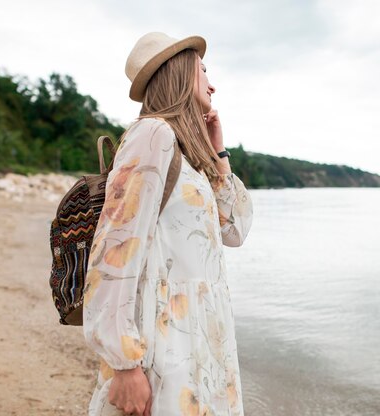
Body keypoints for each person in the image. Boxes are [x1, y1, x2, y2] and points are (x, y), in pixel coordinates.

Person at [82, 32, 253, 416]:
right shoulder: (152, 135)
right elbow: (112, 252)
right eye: (203, 70)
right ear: (178, 72)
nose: (212, 83)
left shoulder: (189, 156)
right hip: (166, 345)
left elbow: (236, 230)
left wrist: (218, 152)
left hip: (203, 341)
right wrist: (124, 363)